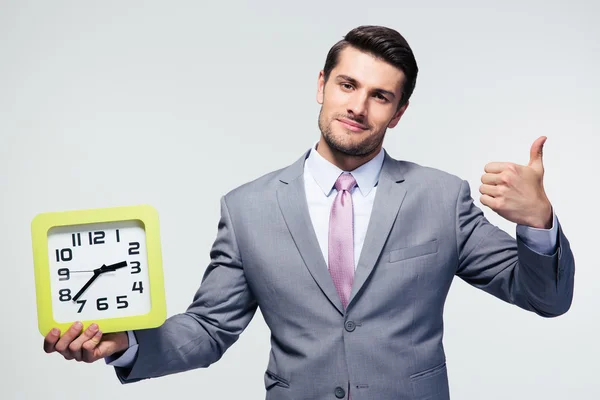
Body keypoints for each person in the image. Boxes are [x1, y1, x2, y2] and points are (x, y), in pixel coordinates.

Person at [43, 25, 575, 399]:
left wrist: (536, 223)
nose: (358, 107)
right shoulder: (248, 208)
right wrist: (126, 342)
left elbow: (545, 298)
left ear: (399, 112)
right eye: (347, 85)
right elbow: (208, 329)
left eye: (380, 96)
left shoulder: (441, 197)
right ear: (322, 85)